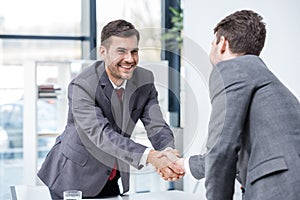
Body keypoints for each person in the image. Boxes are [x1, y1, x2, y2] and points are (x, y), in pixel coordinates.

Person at [160, 9, 300, 200]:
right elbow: (230, 150)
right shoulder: (262, 78)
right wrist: (182, 164)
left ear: (222, 44)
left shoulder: (232, 69)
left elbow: (221, 149)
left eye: (212, 45)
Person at [37, 19, 183, 199]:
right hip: (74, 177)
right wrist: (152, 157)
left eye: (134, 51)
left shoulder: (145, 80)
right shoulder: (82, 86)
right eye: (121, 51)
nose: (130, 59)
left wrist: (168, 153)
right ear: (103, 52)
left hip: (111, 178)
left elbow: (157, 125)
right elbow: (102, 135)